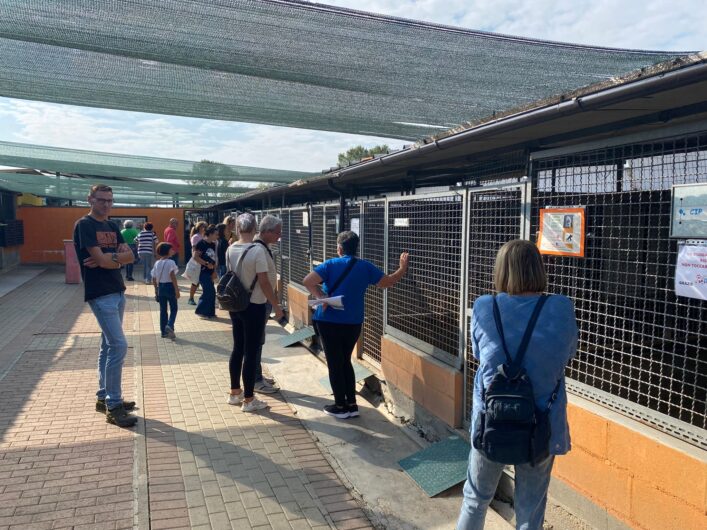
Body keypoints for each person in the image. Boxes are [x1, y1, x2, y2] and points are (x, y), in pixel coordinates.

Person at [456, 240, 578, 530]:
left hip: (492, 422)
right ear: (538, 268)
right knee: (530, 508)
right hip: (540, 426)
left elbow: (478, 353)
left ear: (501, 270)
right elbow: (567, 355)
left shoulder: (486, 306)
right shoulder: (560, 307)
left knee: (475, 498)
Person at [303, 231, 409, 419]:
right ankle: (352, 404)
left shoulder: (331, 264)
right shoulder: (365, 267)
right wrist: (402, 268)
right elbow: (387, 282)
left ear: (339, 248)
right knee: (345, 361)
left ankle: (340, 406)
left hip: (329, 321)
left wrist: (321, 296)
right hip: (353, 323)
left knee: (335, 364)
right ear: (355, 247)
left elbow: (308, 281)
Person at [72, 185, 138, 428]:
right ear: (90, 199)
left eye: (110, 200)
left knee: (107, 345)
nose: (107, 205)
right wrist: (113, 259)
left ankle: (104, 397)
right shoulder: (84, 225)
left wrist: (110, 260)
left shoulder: (112, 226)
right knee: (119, 345)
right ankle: (114, 404)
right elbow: (102, 260)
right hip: (100, 294)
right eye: (102, 200)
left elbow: (130, 256)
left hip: (118, 290)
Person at [226, 214, 285, 412]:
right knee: (251, 353)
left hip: (235, 304)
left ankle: (235, 393)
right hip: (254, 305)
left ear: (237, 230)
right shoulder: (258, 250)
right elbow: (264, 281)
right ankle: (250, 400)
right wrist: (276, 306)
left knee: (237, 349)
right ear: (255, 230)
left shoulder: (230, 248)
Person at [152, 242, 180, 339]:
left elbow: (154, 278)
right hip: (170, 287)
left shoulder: (157, 263)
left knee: (163, 310)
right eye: (171, 249)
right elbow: (172, 276)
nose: (173, 250)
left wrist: (156, 290)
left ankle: (163, 332)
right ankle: (170, 325)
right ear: (167, 251)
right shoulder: (171, 262)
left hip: (161, 288)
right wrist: (177, 289)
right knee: (174, 308)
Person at [192, 224, 218, 319]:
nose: (217, 236)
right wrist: (206, 264)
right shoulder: (201, 244)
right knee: (208, 291)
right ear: (210, 234)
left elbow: (214, 258)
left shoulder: (213, 244)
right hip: (202, 271)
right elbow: (195, 257)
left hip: (210, 271)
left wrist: (214, 270)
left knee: (212, 292)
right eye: (215, 234)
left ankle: (210, 313)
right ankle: (201, 311)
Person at [187, 221, 208, 305]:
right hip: (197, 262)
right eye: (203, 227)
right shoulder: (196, 237)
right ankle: (191, 298)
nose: (205, 228)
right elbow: (195, 249)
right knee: (195, 282)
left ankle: (205, 299)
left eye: (206, 227)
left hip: (205, 261)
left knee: (204, 281)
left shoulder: (205, 236)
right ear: (199, 228)